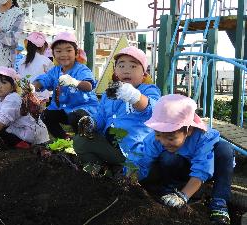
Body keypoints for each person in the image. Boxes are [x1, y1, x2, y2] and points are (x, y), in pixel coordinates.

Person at [127, 94, 234, 225]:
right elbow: (142, 159)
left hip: (206, 172)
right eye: (158, 134)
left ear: (188, 130)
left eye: (171, 138)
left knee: (225, 150)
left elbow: (202, 169)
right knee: (168, 156)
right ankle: (169, 192)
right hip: (178, 170)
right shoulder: (157, 138)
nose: (164, 141)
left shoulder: (204, 137)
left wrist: (183, 196)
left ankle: (219, 203)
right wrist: (128, 178)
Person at [74, 46, 161, 174]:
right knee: (80, 141)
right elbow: (102, 116)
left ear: (144, 75)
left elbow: (152, 109)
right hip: (111, 145)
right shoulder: (108, 94)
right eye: (121, 66)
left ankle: (122, 172)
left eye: (133, 66)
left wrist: (134, 96)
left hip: (135, 149)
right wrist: (92, 123)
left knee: (132, 176)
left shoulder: (148, 90)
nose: (126, 71)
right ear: (115, 72)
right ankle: (100, 170)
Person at [33, 31, 99, 139]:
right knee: (46, 115)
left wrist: (74, 82)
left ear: (76, 53)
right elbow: (44, 80)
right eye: (58, 51)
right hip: (63, 109)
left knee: (77, 118)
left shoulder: (81, 69)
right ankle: (65, 139)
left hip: (84, 108)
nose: (64, 55)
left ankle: (83, 141)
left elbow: (88, 86)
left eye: (68, 50)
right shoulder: (54, 71)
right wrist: (32, 87)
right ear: (53, 54)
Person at [0, 66, 49, 148]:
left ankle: (24, 146)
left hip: (33, 134)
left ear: (13, 87)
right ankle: (18, 144)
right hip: (19, 130)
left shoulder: (14, 98)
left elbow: (2, 121)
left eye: (4, 82)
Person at [18, 32, 54, 102]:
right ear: (43, 47)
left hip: (24, 95)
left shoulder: (22, 61)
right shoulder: (46, 61)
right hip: (40, 96)